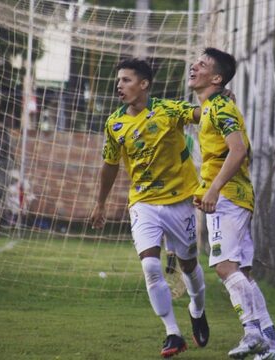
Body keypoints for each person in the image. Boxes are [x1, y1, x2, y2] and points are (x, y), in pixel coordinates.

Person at [91, 58, 209, 358]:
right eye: (119, 80)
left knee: (189, 265)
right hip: (143, 204)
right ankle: (173, 333)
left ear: (144, 84)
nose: (120, 85)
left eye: (127, 80)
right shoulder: (114, 124)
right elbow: (109, 166)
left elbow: (202, 114)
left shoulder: (169, 110)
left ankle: (197, 308)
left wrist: (217, 100)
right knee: (150, 265)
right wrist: (100, 202)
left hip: (180, 202)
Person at [188, 47, 275, 360]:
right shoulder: (214, 105)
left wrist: (214, 189)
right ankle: (273, 344)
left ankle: (252, 331)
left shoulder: (220, 108)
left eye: (202, 64)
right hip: (237, 196)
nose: (194, 66)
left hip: (228, 197)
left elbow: (238, 150)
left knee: (224, 266)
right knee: (242, 271)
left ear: (216, 77)